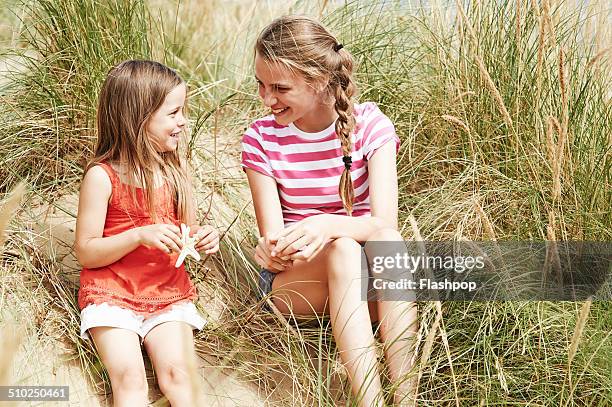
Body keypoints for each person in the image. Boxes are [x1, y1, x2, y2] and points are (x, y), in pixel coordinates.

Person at [241, 16, 418, 407]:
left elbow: (384, 223)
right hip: (298, 285)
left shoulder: (371, 125)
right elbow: (275, 247)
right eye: (261, 85)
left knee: (388, 241)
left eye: (280, 88)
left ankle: (407, 398)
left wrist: (324, 224)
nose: (267, 98)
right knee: (342, 251)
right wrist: (271, 248)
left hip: (371, 289)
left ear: (319, 81)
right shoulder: (260, 138)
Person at [75, 60, 219, 406]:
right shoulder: (102, 176)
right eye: (173, 113)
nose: (182, 121)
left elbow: (185, 230)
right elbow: (86, 251)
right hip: (111, 294)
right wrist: (139, 235)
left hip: (168, 293)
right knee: (130, 379)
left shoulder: (174, 171)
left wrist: (200, 237)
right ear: (138, 118)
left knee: (180, 376)